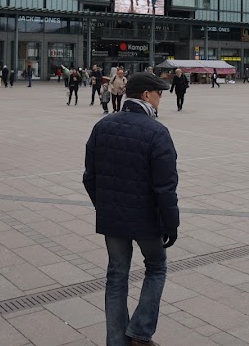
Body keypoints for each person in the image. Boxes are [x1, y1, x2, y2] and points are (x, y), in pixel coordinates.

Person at [83, 72, 178, 346]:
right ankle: (140, 332)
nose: (161, 100)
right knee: (156, 266)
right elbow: (165, 186)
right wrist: (171, 224)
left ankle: (116, 341)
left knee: (116, 275)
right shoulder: (157, 132)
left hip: (113, 219)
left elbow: (90, 177)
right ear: (146, 95)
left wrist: (105, 206)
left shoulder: (103, 126)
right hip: (147, 220)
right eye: (159, 94)